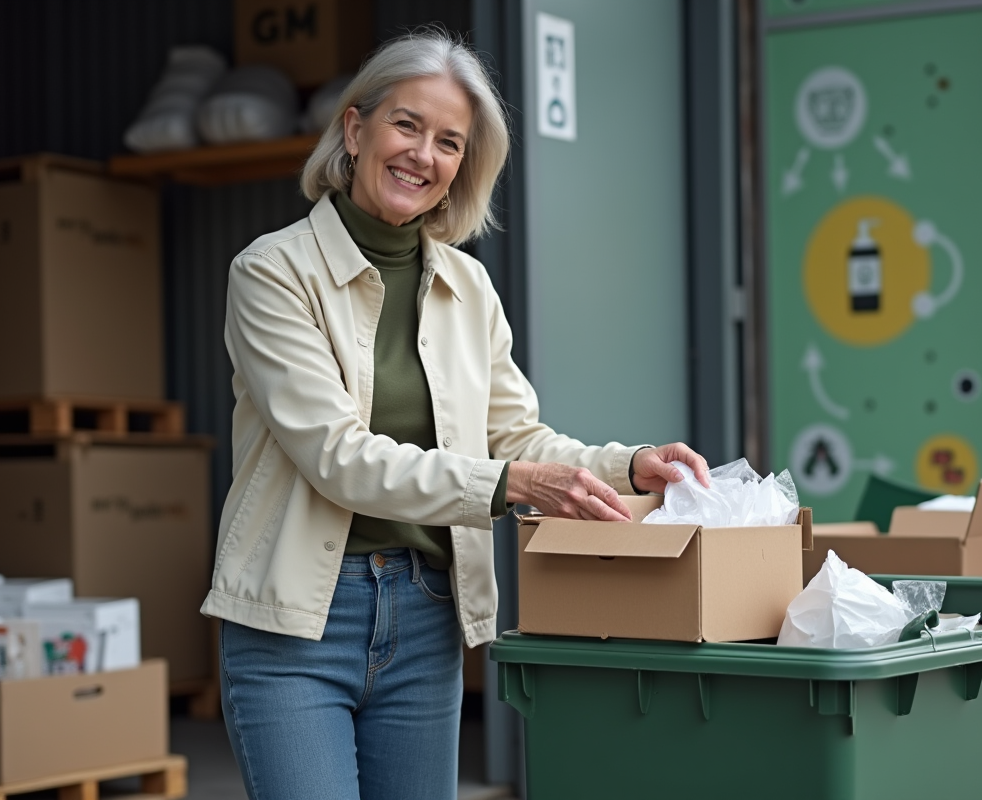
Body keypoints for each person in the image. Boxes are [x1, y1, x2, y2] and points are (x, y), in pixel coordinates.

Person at [200, 31, 710, 800]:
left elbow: (515, 437)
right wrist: (514, 485)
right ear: (354, 128)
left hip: (425, 613)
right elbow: (338, 457)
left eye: (449, 142)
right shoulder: (273, 273)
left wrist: (623, 464)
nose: (422, 155)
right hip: (297, 620)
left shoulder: (467, 287)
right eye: (406, 125)